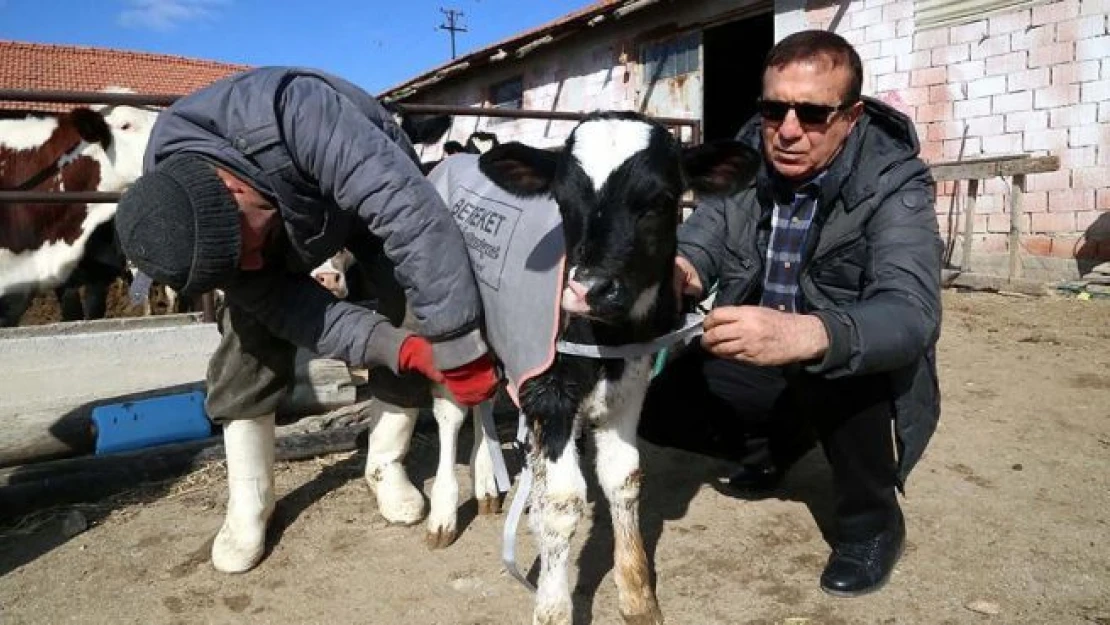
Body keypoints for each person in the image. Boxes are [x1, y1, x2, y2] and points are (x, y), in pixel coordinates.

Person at [114, 66, 500, 574]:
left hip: (358, 180)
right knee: (248, 331)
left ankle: (386, 462)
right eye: (235, 262)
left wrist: (452, 343)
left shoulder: (295, 116)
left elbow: (409, 215)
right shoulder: (177, 201)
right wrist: (399, 350)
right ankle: (250, 499)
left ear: (231, 190)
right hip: (279, 203)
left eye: (244, 248)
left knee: (409, 295)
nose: (250, 266)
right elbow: (290, 307)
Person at [639, 30, 942, 597]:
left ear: (850, 116)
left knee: (841, 372)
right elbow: (705, 234)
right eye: (774, 109)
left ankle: (871, 524)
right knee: (663, 409)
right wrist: (680, 268)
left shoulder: (895, 181)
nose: (788, 129)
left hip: (838, 352)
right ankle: (777, 448)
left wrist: (807, 331)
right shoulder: (748, 155)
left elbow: (911, 313)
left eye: (812, 113)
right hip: (759, 340)